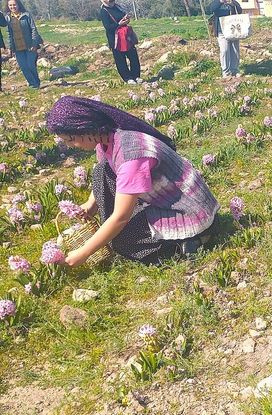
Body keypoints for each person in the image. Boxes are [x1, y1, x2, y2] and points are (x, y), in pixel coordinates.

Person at [45, 96, 220, 267]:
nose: (71, 145)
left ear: (85, 128)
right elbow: (107, 175)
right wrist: (91, 204)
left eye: (71, 139)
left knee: (122, 241)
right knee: (102, 171)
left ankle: (189, 239)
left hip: (188, 210)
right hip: (168, 199)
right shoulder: (108, 138)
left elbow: (121, 218)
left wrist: (83, 253)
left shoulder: (131, 155)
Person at [0, 0, 42, 89]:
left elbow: (34, 29)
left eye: (14, 5)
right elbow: (9, 34)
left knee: (31, 65)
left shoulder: (26, 15)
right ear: (8, 6)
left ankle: (36, 83)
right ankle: (32, 84)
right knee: (24, 67)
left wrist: (34, 44)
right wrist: (10, 48)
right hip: (17, 47)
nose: (12, 7)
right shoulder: (8, 18)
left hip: (30, 45)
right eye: (10, 5)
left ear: (18, 5)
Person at [98, 0, 140, 84]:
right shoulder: (104, 11)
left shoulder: (118, 7)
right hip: (115, 39)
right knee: (120, 59)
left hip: (126, 36)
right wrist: (119, 24)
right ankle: (128, 78)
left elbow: (122, 18)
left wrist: (126, 20)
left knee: (133, 56)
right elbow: (108, 27)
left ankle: (136, 76)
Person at [209, 0, 242, 79]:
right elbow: (212, 9)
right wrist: (221, 1)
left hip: (233, 31)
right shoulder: (217, 3)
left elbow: (240, 10)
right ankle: (226, 72)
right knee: (224, 50)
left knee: (235, 50)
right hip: (221, 31)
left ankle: (234, 70)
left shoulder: (233, 2)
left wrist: (233, 3)